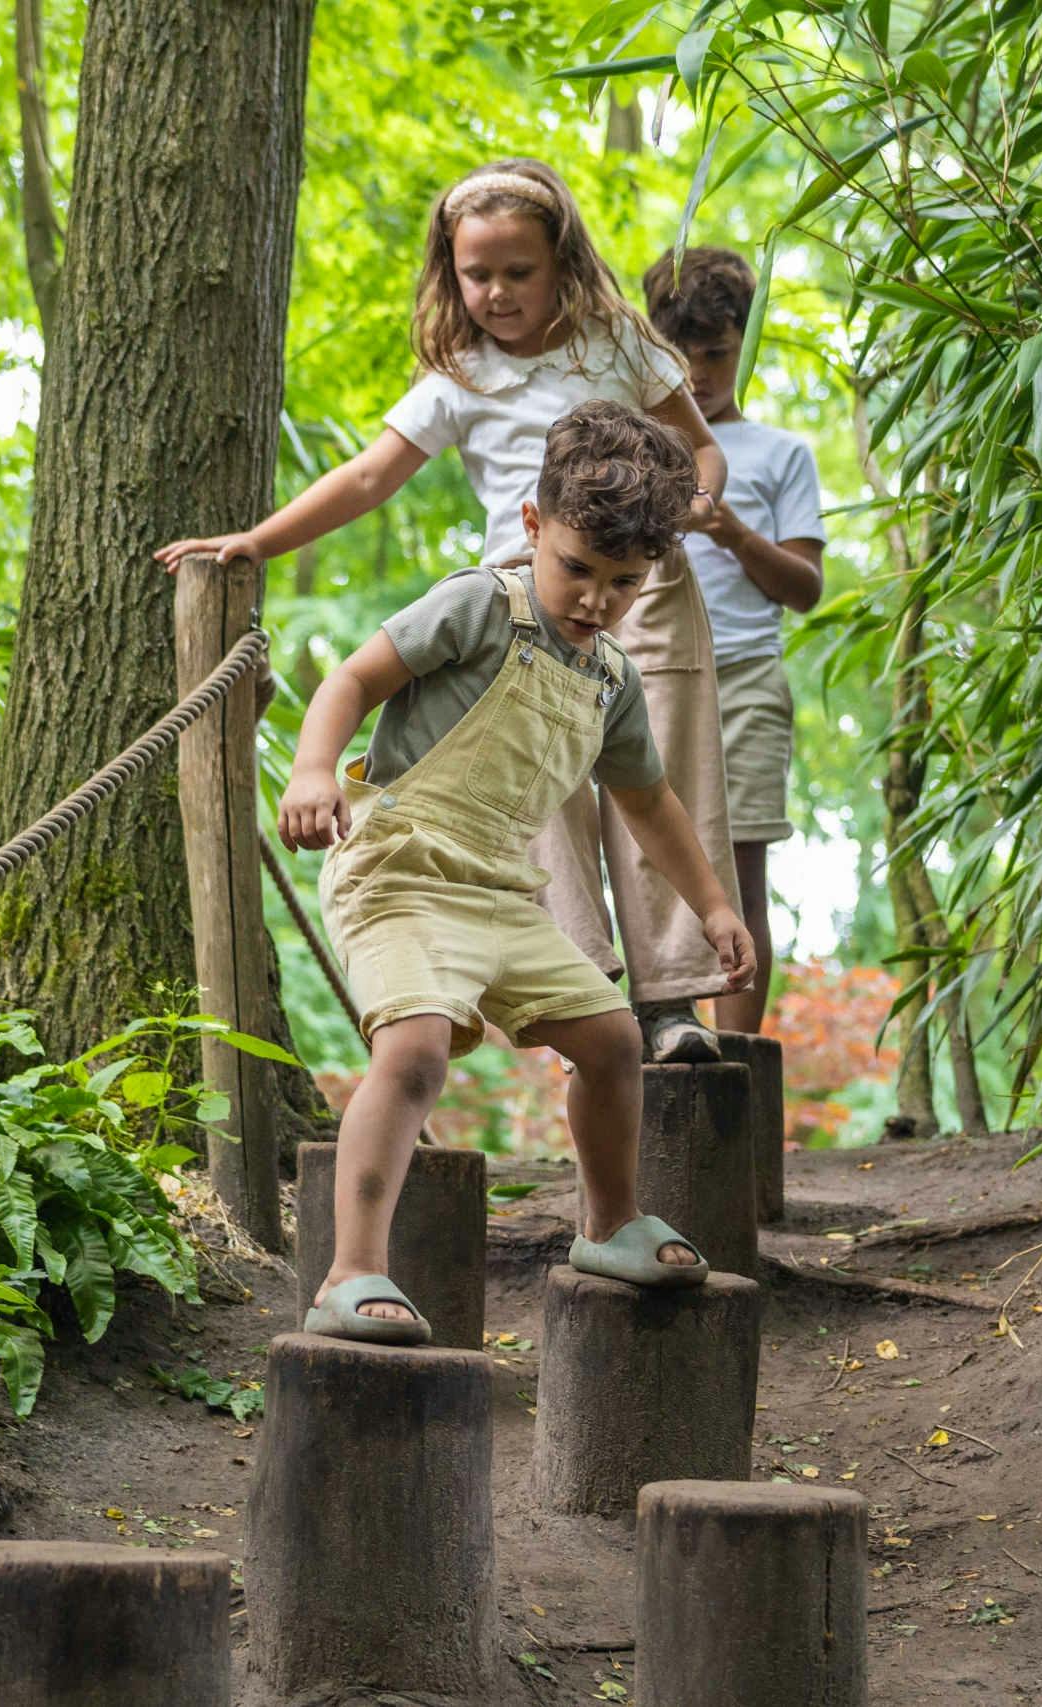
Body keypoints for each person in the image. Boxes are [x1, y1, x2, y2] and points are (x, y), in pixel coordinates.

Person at [158, 158, 743, 1066]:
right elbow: (367, 476)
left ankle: (672, 1002)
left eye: (520, 271)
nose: (498, 292)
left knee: (654, 777)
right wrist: (258, 541)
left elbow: (702, 451)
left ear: (563, 264)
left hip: (642, 588)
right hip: (519, 601)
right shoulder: (458, 376)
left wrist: (692, 509)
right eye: (478, 275)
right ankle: (595, 990)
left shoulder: (617, 342)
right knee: (544, 791)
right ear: (450, 272)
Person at [274, 401, 755, 1342]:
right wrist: (311, 769)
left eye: (623, 582)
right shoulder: (477, 605)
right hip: (401, 871)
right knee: (411, 1053)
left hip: (501, 889)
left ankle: (609, 1222)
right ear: (533, 527)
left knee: (616, 1040)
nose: (595, 599)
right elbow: (353, 680)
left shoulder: (612, 679)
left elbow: (650, 802)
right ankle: (351, 1270)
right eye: (577, 568)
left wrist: (712, 904)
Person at [639, 246, 826, 1036]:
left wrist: (729, 529)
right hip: (643, 678)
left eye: (714, 354)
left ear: (741, 343)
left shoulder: (781, 454)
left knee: (741, 873)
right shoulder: (634, 443)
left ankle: (739, 1069)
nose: (698, 374)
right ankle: (661, 1047)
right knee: (648, 870)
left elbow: (806, 589)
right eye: (679, 357)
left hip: (744, 676)